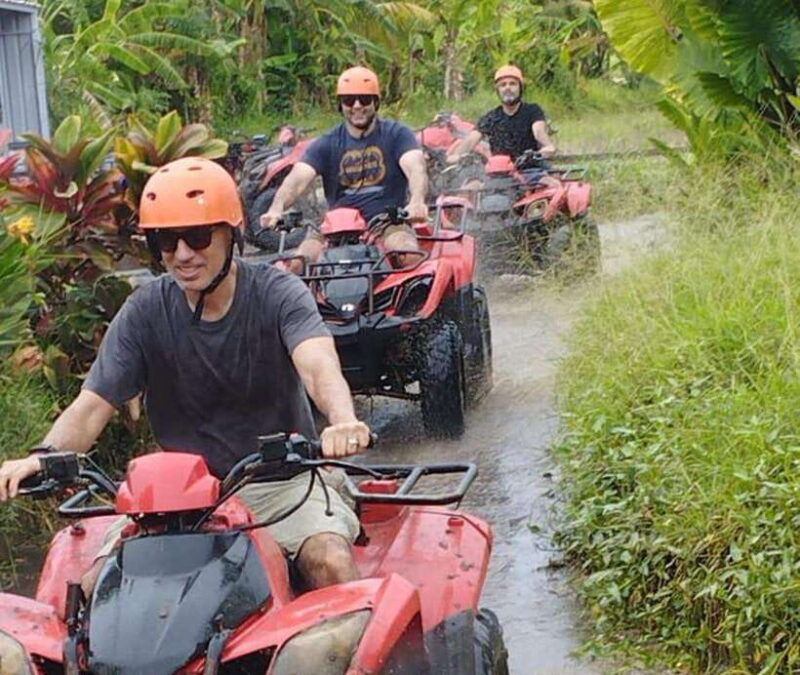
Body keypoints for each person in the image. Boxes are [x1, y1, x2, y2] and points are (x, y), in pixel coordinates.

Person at [0, 157, 371, 592]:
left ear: (232, 235)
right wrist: (43, 456)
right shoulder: (144, 311)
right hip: (172, 502)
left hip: (279, 484)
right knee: (93, 590)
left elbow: (318, 364)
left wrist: (343, 420)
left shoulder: (278, 294)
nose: (181, 254)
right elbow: (92, 405)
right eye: (165, 240)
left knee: (329, 560)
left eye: (196, 237)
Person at [260, 66, 428, 270]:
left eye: (364, 99)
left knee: (408, 255)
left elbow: (415, 166)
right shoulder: (327, 143)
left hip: (388, 223)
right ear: (341, 105)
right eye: (349, 100)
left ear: (376, 102)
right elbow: (297, 179)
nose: (357, 106)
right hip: (335, 227)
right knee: (296, 265)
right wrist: (276, 208)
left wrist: (417, 201)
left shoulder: (397, 134)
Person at [448, 65, 557, 163]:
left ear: (521, 88)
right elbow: (471, 139)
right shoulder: (491, 118)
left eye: (512, 84)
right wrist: (457, 155)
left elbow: (539, 132)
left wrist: (546, 149)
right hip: (500, 174)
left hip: (531, 170)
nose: (507, 88)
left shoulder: (532, 111)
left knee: (548, 183)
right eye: (503, 85)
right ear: (498, 90)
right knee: (473, 184)